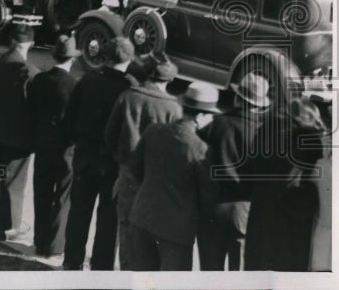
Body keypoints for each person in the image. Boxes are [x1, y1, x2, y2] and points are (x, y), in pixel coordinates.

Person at [62, 37, 138, 270]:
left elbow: (70, 117)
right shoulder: (130, 87)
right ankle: (101, 268)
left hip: (86, 154)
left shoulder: (88, 79)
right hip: (113, 161)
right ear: (130, 58)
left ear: (104, 56)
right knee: (109, 219)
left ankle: (72, 263)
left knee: (79, 211)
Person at [128, 82, 219, 271]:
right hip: (176, 233)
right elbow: (207, 197)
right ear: (201, 116)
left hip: (143, 217)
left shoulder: (153, 131)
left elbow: (135, 169)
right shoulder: (200, 149)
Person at [104, 54, 182, 269]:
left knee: (126, 226)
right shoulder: (173, 108)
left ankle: (126, 270)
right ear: (170, 79)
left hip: (128, 172)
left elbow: (110, 135)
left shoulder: (128, 96)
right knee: (150, 230)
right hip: (156, 178)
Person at [243, 96, 327, 271]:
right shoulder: (308, 140)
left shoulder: (265, 131)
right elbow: (295, 179)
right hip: (289, 220)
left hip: (260, 213)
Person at [0, 16, 41, 241]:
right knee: (12, 182)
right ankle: (7, 226)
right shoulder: (31, 72)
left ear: (11, 40)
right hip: (15, 136)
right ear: (30, 44)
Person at [198, 73, 270, 271]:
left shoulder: (214, 124)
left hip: (213, 205)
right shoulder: (264, 133)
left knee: (210, 273)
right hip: (245, 211)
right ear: (259, 105)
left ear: (238, 98)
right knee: (239, 274)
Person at [27, 34, 80, 260]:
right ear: (73, 59)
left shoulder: (39, 80)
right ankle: (55, 245)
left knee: (41, 193)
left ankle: (39, 240)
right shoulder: (75, 86)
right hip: (66, 149)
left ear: (53, 55)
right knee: (62, 198)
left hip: (43, 144)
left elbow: (31, 111)